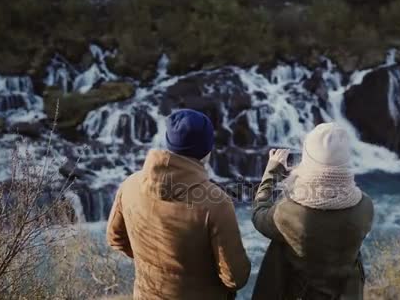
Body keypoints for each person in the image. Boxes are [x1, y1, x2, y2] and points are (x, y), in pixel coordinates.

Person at [107, 109, 251, 299]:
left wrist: (155, 263)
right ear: (207, 149)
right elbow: (235, 278)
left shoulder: (130, 184)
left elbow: (115, 238)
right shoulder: (217, 203)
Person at [252, 122, 374, 300]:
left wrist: (271, 172)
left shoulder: (290, 213)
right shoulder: (365, 206)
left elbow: (259, 215)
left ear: (308, 161)